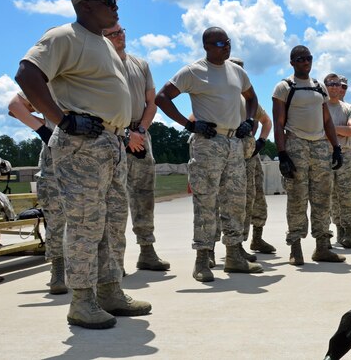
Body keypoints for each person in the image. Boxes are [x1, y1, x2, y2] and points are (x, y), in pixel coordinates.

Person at [15, 0, 151, 329]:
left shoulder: (103, 44)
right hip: (82, 147)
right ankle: (81, 300)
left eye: (115, 1)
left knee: (111, 224)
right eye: (108, 2)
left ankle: (109, 291)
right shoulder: (64, 36)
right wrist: (61, 120)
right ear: (86, 6)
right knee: (86, 225)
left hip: (110, 144)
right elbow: (27, 73)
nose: (115, 7)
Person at [155, 27, 263, 282]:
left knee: (235, 200)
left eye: (228, 42)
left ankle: (234, 254)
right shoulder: (193, 71)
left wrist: (248, 120)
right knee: (206, 200)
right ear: (206, 46)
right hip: (208, 143)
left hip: (234, 142)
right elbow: (162, 97)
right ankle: (203, 258)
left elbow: (252, 97)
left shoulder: (237, 71)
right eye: (219, 43)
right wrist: (188, 124)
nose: (226, 47)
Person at [102, 23, 170, 273]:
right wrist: (125, 134)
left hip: (140, 136)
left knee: (144, 196)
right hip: (111, 134)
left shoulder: (140, 64)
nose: (120, 36)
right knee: (113, 199)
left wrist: (140, 131)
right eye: (113, 33)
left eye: (122, 31)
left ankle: (147, 251)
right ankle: (112, 260)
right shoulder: (100, 65)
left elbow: (151, 102)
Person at [272, 45, 346, 265]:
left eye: (309, 58)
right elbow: (278, 123)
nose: (306, 62)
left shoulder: (318, 86)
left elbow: (327, 120)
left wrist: (336, 147)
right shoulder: (284, 87)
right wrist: (282, 154)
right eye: (301, 59)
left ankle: (322, 246)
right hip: (296, 145)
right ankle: (295, 246)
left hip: (320, 146)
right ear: (292, 62)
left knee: (323, 197)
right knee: (297, 197)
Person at [8, 90, 68, 294]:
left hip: (89, 153)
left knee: (93, 215)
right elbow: (15, 106)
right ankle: (58, 268)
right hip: (54, 156)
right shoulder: (49, 79)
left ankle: (96, 267)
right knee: (55, 217)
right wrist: (44, 130)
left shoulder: (90, 75)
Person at [228, 57, 275, 255]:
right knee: (227, 200)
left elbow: (266, 122)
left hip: (250, 155)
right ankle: (216, 248)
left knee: (255, 197)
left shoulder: (249, 100)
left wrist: (261, 142)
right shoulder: (221, 95)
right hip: (227, 152)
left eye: (241, 70)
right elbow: (194, 118)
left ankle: (256, 239)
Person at [325, 73, 351, 248]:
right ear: (325, 86)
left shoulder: (349, 109)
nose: (334, 87)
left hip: (345, 154)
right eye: (330, 84)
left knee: (346, 194)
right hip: (323, 155)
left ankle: (347, 231)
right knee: (328, 196)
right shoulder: (320, 107)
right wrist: (341, 130)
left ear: (341, 87)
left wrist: (329, 129)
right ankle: (336, 229)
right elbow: (315, 129)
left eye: (337, 84)